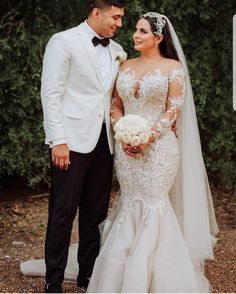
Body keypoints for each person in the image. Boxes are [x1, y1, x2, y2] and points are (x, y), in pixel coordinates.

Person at [86, 12, 219, 292]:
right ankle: (118, 277)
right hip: (126, 148)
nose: (135, 34)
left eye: (143, 31)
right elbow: (115, 104)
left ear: (158, 38)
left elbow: (173, 109)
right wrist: (122, 130)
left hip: (160, 150)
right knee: (130, 200)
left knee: (153, 202)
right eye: (135, 29)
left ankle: (159, 279)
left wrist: (147, 137)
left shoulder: (173, 67)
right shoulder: (124, 65)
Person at [40, 0, 126, 292]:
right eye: (116, 17)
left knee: (95, 212)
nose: (119, 24)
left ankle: (87, 275)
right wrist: (58, 140)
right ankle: (53, 279)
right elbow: (51, 93)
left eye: (122, 18)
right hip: (71, 141)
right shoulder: (63, 41)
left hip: (104, 143)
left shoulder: (116, 51)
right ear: (96, 12)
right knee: (63, 212)